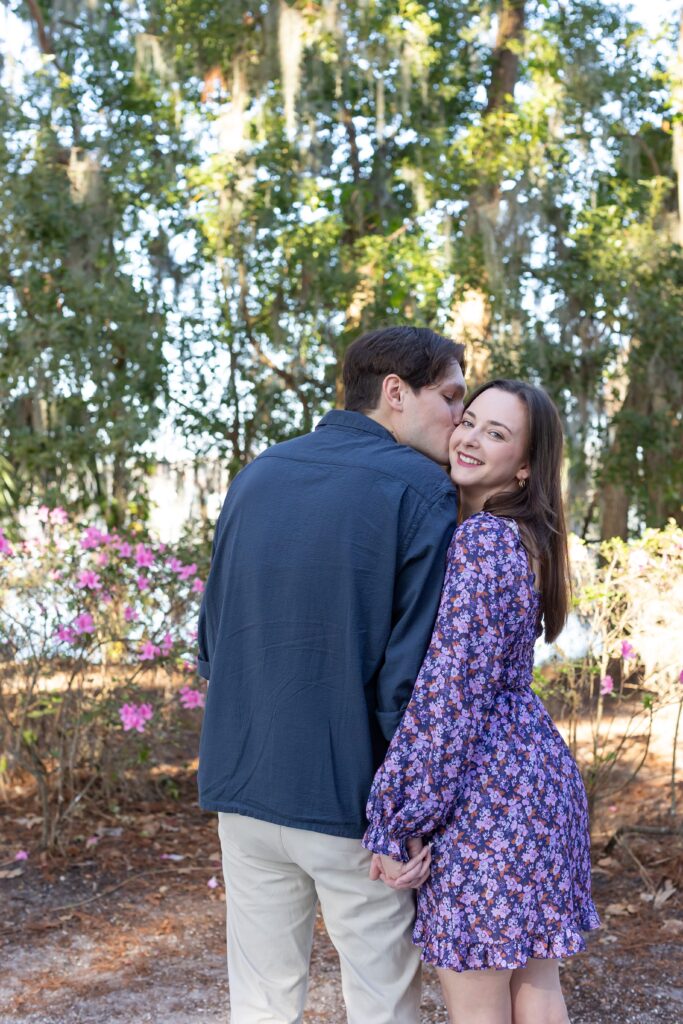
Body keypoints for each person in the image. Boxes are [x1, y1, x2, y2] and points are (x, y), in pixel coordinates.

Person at [197, 326, 466, 1023]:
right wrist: (405, 810)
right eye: (449, 396)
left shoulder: (257, 472)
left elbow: (211, 639)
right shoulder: (420, 488)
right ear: (395, 392)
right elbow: (410, 675)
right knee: (379, 1000)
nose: (458, 419)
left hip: (244, 784)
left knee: (261, 1000)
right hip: (351, 799)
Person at [363, 379, 600, 1024]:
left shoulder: (482, 542)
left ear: (524, 466)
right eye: (468, 420)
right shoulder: (524, 538)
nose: (468, 438)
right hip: (536, 784)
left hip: (488, 800)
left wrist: (398, 818)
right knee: (537, 989)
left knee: (480, 1007)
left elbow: (449, 699)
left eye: (496, 433)